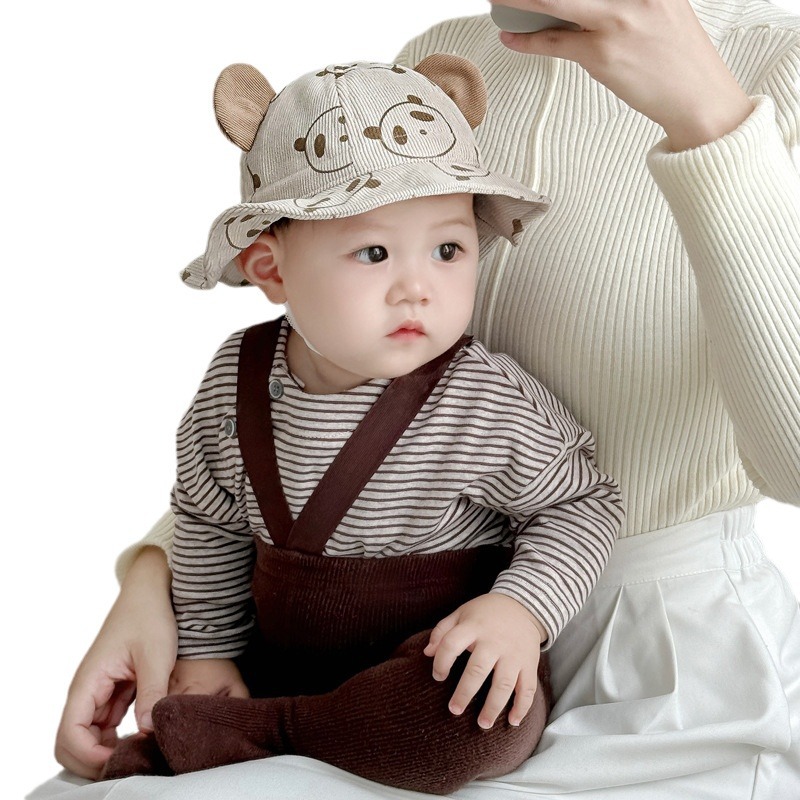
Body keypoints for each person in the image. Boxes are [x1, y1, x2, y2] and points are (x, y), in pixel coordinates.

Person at [50, 0, 800, 797]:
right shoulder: (445, 56)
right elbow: (340, 397)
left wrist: (711, 119)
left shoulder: (776, 66)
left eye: (451, 247)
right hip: (384, 649)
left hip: (660, 679)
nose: (420, 281)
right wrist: (156, 582)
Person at [82, 56, 623, 794]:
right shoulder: (235, 380)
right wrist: (208, 652)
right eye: (374, 252)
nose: (418, 287)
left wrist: (518, 610)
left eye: (449, 249)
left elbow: (582, 503)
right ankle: (263, 719)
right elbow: (206, 521)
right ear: (270, 269)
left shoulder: (483, 400)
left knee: (480, 720)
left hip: (422, 665)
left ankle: (269, 735)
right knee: (196, 688)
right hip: (278, 657)